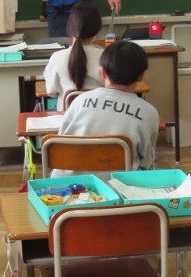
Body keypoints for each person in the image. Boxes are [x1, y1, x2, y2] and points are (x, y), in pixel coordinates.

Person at [55, 40, 160, 177]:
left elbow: (60, 142)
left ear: (102, 73)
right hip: (119, 185)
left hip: (68, 185)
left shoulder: (79, 101)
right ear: (141, 76)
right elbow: (146, 162)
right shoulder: (148, 112)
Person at [43, 1, 104, 111]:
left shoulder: (57, 57)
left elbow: (51, 91)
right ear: (97, 29)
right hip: (100, 119)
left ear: (69, 27)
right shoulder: (106, 57)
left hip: (67, 119)